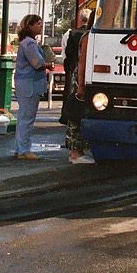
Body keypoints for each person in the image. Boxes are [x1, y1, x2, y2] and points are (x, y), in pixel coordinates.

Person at [14, 14, 52, 160]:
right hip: (30, 84)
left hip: (25, 83)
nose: (40, 27)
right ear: (30, 26)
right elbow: (37, 63)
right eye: (38, 24)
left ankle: (20, 148)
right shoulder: (29, 44)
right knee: (27, 118)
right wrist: (49, 64)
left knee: (23, 117)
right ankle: (24, 150)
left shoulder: (26, 42)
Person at [61, 9, 95, 164]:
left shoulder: (93, 35)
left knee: (81, 114)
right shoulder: (88, 36)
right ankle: (75, 153)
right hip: (82, 79)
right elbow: (82, 63)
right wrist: (81, 86)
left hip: (87, 78)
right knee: (76, 114)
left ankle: (79, 151)